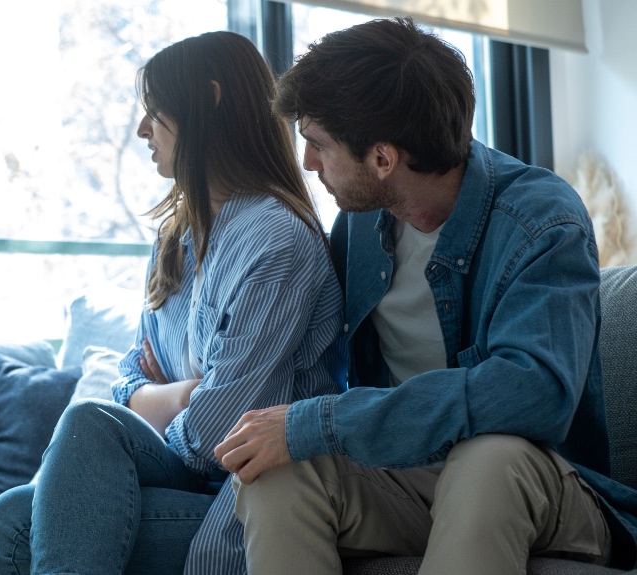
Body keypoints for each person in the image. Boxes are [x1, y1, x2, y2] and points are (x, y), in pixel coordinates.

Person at [213, 17, 637, 574]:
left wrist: (328, 421)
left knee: (487, 458)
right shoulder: (361, 227)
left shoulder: (541, 219)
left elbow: (535, 392)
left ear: (384, 159)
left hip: (537, 484)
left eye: (317, 144)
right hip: (410, 479)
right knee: (278, 470)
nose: (308, 163)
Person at [0, 30, 345, 574]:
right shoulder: (178, 235)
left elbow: (218, 437)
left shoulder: (275, 241)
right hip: (182, 472)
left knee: (49, 481)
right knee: (11, 516)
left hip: (241, 498)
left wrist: (169, 401)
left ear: (210, 102)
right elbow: (129, 372)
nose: (141, 129)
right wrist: (177, 395)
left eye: (156, 112)